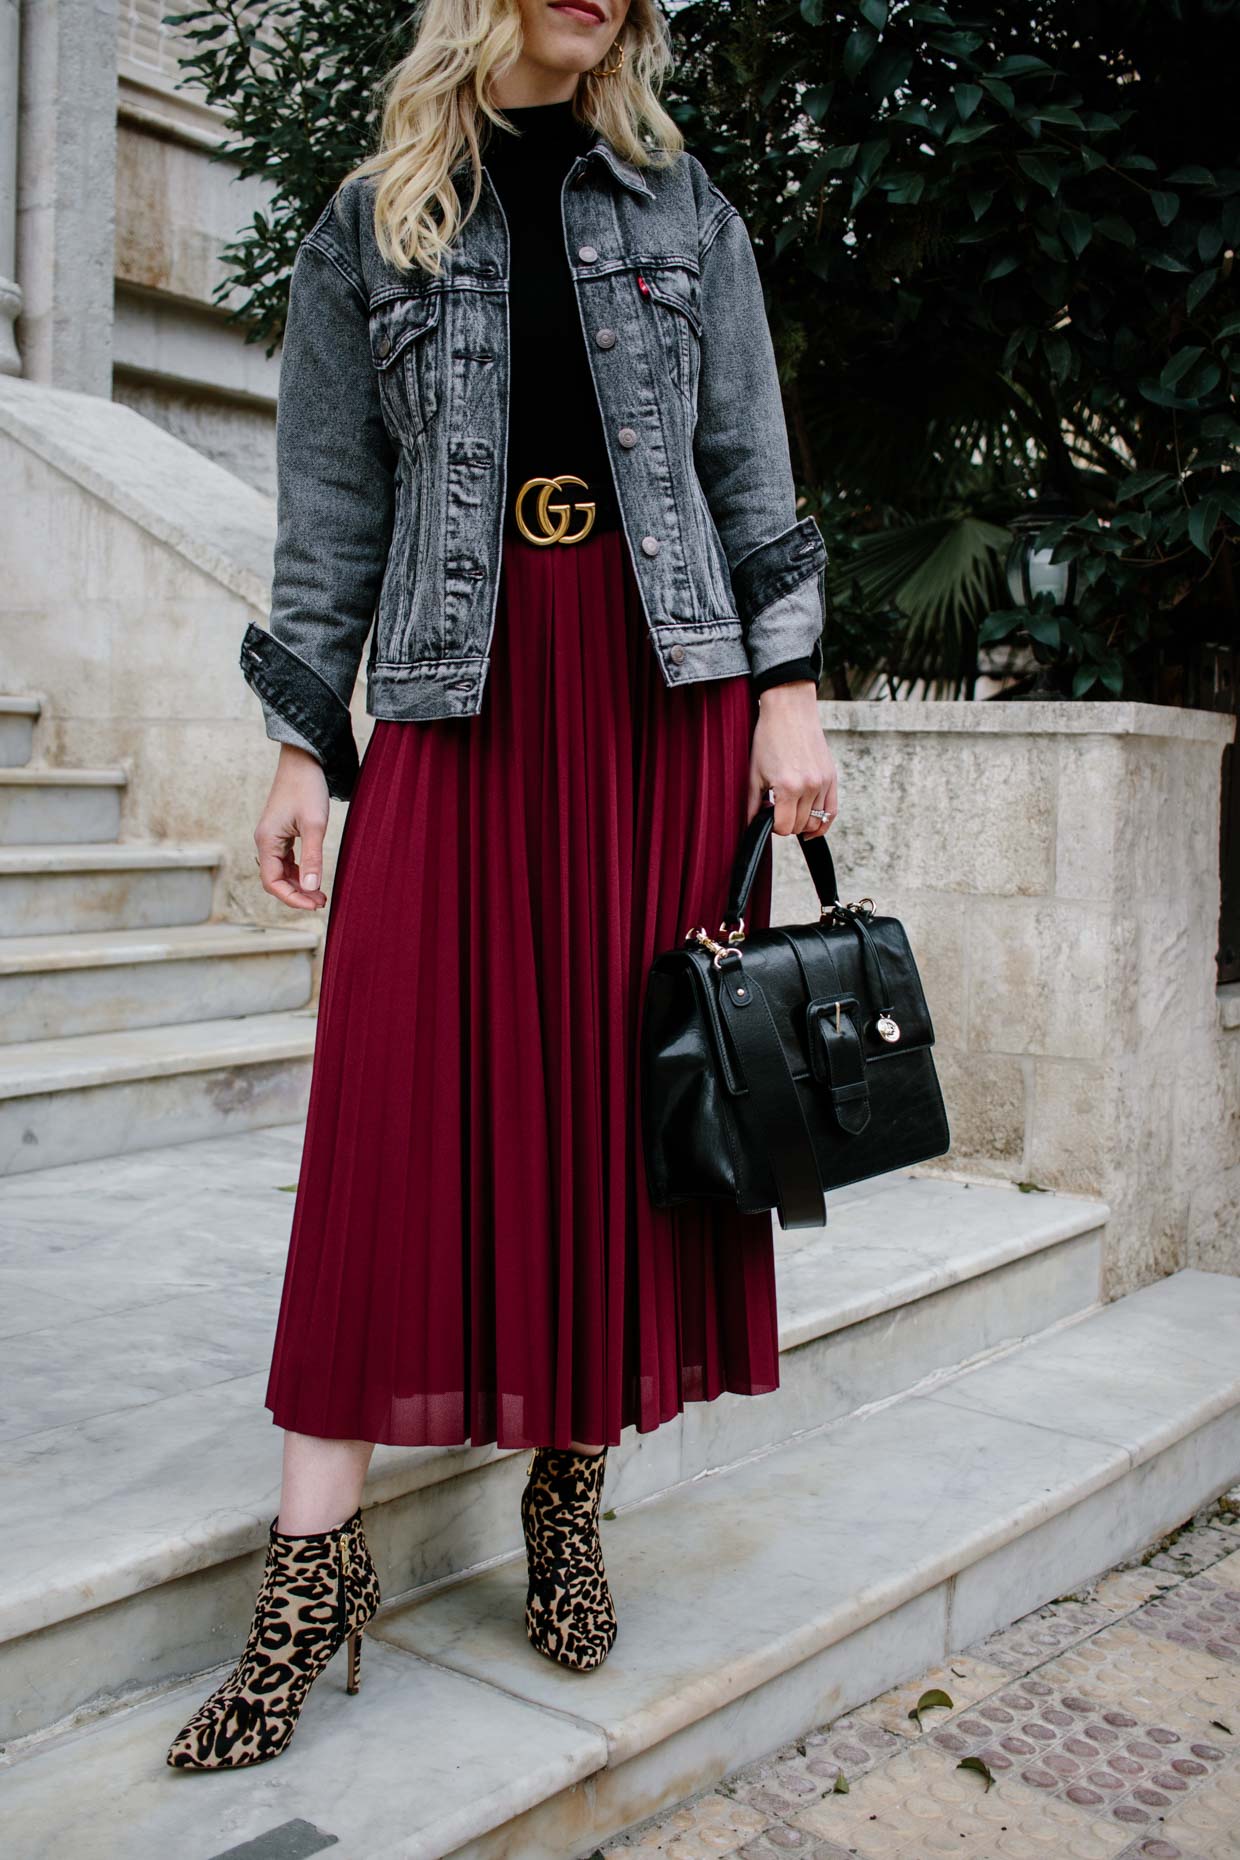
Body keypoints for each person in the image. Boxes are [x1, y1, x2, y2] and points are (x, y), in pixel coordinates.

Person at [166, 0, 838, 1772]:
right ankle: (312, 1586)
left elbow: (746, 466)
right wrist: (308, 744)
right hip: (457, 704)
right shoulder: (369, 214)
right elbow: (328, 509)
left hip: (654, 702)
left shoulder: (682, 204)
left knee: (614, 1116)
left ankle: (567, 1496)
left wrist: (790, 694)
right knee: (386, 1125)